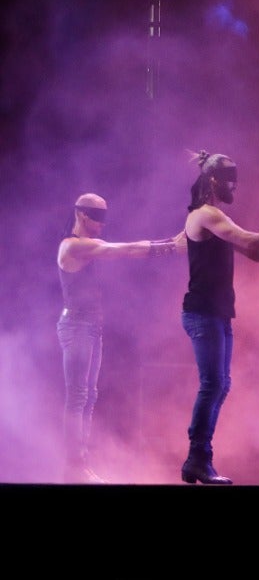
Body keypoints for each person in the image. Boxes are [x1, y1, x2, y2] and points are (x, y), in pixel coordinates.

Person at [179, 151, 259, 484]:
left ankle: (198, 459)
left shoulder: (216, 217)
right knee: (213, 385)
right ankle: (197, 459)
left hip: (217, 313)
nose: (234, 185)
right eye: (228, 179)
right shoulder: (205, 215)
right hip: (203, 312)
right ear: (211, 180)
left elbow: (253, 253)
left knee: (220, 384)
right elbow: (249, 240)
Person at [56, 192, 187, 483]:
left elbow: (125, 249)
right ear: (81, 215)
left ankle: (79, 466)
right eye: (98, 217)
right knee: (78, 396)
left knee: (89, 396)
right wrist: (169, 248)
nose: (103, 223)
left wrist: (171, 243)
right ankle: (74, 467)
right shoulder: (73, 247)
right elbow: (124, 250)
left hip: (91, 326)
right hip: (76, 325)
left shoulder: (86, 245)